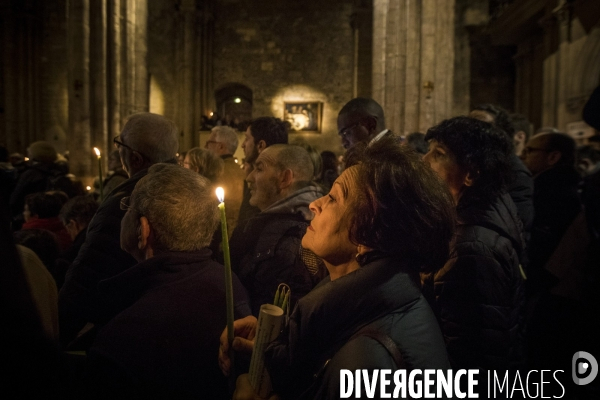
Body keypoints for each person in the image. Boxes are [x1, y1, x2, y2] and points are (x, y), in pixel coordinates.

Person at [220, 137, 455, 399]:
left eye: (333, 198)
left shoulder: (369, 361)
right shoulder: (370, 301)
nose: (314, 204)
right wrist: (273, 346)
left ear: (368, 236)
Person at [85, 164, 251, 398]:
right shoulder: (228, 282)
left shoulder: (124, 338)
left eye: (127, 207)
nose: (123, 214)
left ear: (143, 231)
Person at [59, 112, 179, 348]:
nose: (117, 150)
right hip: (169, 322)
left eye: (119, 144)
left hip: (126, 328)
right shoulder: (191, 191)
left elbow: (86, 276)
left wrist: (57, 333)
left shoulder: (126, 204)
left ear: (135, 159)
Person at [422, 116, 525, 372]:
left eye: (439, 154)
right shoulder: (480, 215)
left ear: (471, 174)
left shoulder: (472, 248)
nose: (424, 161)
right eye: (429, 151)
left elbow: (473, 353)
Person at [229, 144, 326, 315]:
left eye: (259, 169)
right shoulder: (310, 221)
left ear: (285, 178)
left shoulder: (288, 240)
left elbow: (272, 318)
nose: (249, 177)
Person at [521, 132, 581, 288]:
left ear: (553, 157)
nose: (522, 155)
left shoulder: (551, 193)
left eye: (529, 150)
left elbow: (541, 246)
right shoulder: (555, 188)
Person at [470, 104, 534, 244]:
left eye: (479, 124)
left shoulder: (516, 172)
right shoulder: (475, 162)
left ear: (499, 133)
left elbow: (516, 225)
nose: (468, 128)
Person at [238, 117, 288, 225]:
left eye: (247, 139)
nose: (243, 145)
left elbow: (248, 222)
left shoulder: (268, 183)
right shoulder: (252, 173)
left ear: (260, 145)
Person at [205, 126, 246, 232]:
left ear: (221, 147)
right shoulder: (240, 170)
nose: (205, 146)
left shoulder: (215, 172)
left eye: (209, 142)